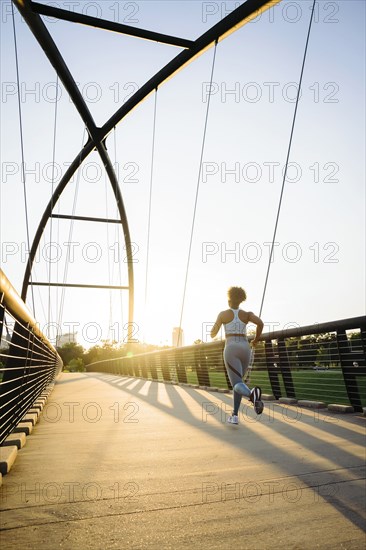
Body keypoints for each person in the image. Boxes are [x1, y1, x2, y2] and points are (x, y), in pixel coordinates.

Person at [211, 286, 264, 424]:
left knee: (237, 383)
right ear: (241, 300)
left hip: (231, 348)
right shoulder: (247, 314)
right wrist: (256, 340)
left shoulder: (223, 314)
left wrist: (218, 325)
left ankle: (252, 395)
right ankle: (234, 415)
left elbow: (212, 333)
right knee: (238, 382)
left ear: (229, 299)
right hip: (245, 348)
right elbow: (260, 323)